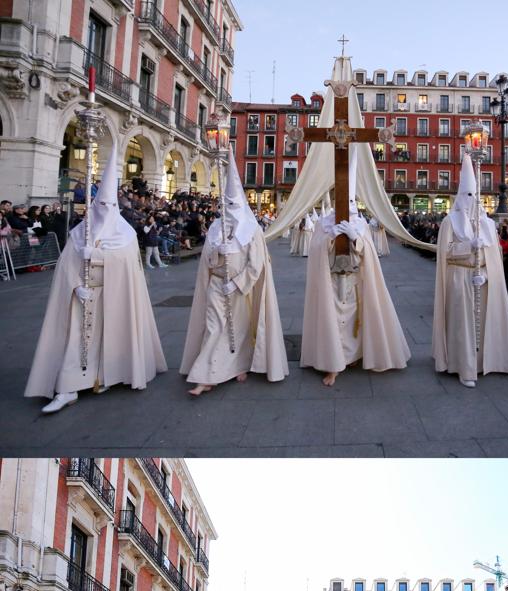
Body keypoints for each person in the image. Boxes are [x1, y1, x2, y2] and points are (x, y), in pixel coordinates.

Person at [25, 144, 167, 412]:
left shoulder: (125, 234)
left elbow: (127, 264)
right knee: (75, 340)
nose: (103, 209)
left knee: (111, 337)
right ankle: (67, 387)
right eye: (99, 204)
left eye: (108, 205)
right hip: (82, 294)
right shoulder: (81, 231)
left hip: (114, 295)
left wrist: (98, 256)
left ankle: (105, 376)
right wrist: (76, 286)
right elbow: (67, 263)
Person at [180, 148, 288, 395]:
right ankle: (206, 376)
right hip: (217, 284)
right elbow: (207, 260)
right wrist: (217, 249)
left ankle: (239, 365)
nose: (229, 208)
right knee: (214, 327)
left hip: (241, 289)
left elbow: (256, 263)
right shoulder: (217, 226)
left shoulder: (252, 230)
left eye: (233, 204)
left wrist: (238, 283)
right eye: (225, 204)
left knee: (239, 329)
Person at [300, 149, 410, 386]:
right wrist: (330, 240)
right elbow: (316, 249)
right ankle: (333, 364)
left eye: (350, 200)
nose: (346, 204)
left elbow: (369, 252)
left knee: (352, 320)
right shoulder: (322, 223)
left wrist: (356, 239)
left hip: (354, 278)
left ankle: (351, 356)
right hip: (330, 277)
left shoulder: (360, 223)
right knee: (332, 318)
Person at [432, 154, 508, 387]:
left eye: (474, 195)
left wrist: (488, 270)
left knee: (482, 322)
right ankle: (463, 366)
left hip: (483, 278)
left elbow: (494, 254)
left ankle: (482, 363)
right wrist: (467, 246)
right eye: (467, 195)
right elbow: (446, 251)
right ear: (461, 196)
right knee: (463, 323)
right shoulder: (450, 222)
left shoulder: (488, 223)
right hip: (459, 276)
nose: (471, 200)